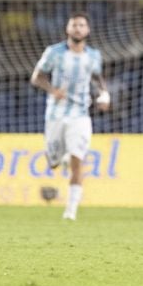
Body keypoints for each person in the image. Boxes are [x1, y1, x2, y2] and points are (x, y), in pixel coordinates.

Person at [30, 11, 108, 222]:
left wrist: (104, 95)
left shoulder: (93, 56)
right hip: (55, 114)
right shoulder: (54, 52)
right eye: (74, 25)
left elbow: (98, 78)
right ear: (67, 29)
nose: (78, 29)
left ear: (88, 30)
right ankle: (60, 159)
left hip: (80, 114)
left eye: (82, 25)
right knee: (53, 162)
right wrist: (52, 89)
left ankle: (70, 212)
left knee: (77, 160)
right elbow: (36, 77)